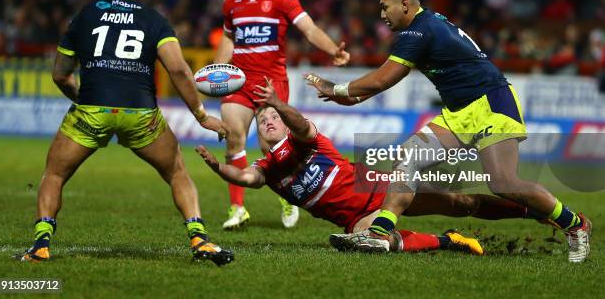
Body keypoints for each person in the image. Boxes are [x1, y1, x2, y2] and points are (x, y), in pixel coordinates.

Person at [304, 0, 591, 263]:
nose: (381, 14)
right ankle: (380, 232)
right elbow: (380, 82)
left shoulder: (418, 30)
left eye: (384, 7)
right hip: (459, 111)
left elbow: (382, 79)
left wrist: (338, 89)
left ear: (404, 4)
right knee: (408, 156)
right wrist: (350, 98)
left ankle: (574, 223)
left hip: (491, 103)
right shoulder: (424, 25)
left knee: (504, 183)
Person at [18, 0, 233, 266]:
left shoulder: (85, 16)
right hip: (140, 114)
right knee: (175, 172)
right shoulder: (153, 19)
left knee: (54, 174)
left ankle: (41, 244)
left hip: (92, 112)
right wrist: (202, 115)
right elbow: (179, 71)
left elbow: (60, 75)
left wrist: (82, 98)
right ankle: (199, 238)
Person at [196, 78, 539, 255]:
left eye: (273, 117)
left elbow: (300, 124)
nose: (268, 121)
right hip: (356, 218)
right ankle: (449, 242)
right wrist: (216, 166)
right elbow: (243, 176)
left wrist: (277, 103)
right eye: (262, 119)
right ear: (257, 131)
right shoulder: (266, 167)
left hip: (380, 186)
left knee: (464, 202)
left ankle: (532, 210)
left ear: (284, 123)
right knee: (374, 243)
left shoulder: (304, 140)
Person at [214, 0, 350, 230]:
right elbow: (228, 39)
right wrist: (216, 72)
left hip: (270, 84)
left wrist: (332, 51)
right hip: (238, 81)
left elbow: (310, 29)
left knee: (272, 145)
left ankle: (287, 197)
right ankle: (238, 208)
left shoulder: (284, 0)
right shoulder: (231, 3)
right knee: (234, 137)